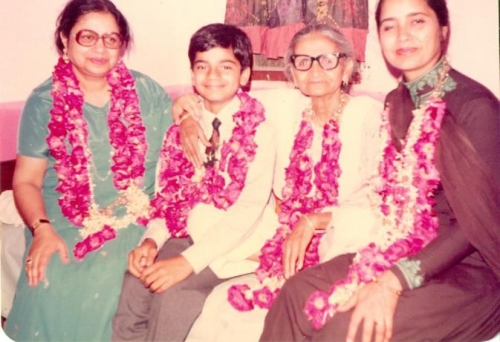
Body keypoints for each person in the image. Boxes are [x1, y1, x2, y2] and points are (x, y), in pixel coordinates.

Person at [260, 0, 500, 341]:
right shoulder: (396, 101)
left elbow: (480, 222)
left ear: (443, 30)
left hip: (469, 268)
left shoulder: (475, 107)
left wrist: (393, 280)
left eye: (417, 21)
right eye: (389, 25)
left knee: (346, 326)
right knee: (295, 293)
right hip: (403, 245)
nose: (403, 35)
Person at [173, 24, 385, 342]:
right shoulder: (282, 108)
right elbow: (216, 98)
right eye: (303, 61)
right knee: (220, 306)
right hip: (282, 242)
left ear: (347, 67)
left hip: (345, 243)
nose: (314, 69)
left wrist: (315, 220)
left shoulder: (369, 115)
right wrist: (186, 117)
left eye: (327, 59)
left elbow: (379, 194)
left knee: (256, 319)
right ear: (292, 72)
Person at [3, 0, 173, 340]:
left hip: (134, 208)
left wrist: (187, 112)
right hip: (62, 216)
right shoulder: (45, 101)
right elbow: (25, 181)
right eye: (87, 37)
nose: (100, 48)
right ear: (65, 39)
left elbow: (175, 157)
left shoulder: (147, 92)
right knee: (52, 270)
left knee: (110, 268)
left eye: (111, 39)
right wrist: (41, 230)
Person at [111, 23, 277, 342]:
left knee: (174, 293)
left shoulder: (260, 131)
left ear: (244, 75)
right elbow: (168, 200)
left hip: (241, 240)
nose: (212, 76)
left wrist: (187, 263)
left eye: (225, 66)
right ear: (192, 74)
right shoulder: (181, 130)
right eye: (203, 66)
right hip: (192, 230)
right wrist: (151, 242)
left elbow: (248, 210)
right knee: (136, 280)